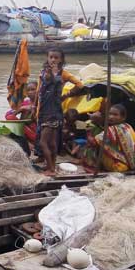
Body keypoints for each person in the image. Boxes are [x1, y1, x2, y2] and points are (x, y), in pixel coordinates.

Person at [36, 48, 84, 176]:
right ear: (47, 58)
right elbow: (39, 92)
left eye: (56, 58)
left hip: (53, 111)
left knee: (44, 142)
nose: (53, 60)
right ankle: (50, 165)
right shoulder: (44, 72)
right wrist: (36, 108)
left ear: (61, 59)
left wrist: (67, 95)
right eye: (51, 57)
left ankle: (51, 169)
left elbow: (80, 85)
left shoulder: (63, 74)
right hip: (44, 110)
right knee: (51, 142)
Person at [84, 104, 135, 172]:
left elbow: (92, 142)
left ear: (123, 117)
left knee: (92, 147)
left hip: (120, 166)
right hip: (133, 165)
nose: (111, 117)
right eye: (110, 114)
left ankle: (92, 167)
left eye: (115, 115)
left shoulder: (113, 129)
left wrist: (89, 125)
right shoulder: (127, 126)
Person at [5, 81, 38, 145]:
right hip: (24, 130)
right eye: (28, 90)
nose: (30, 92)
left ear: (38, 90)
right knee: (10, 117)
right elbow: (8, 115)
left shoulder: (41, 104)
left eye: (33, 89)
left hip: (35, 134)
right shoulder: (26, 102)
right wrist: (22, 108)